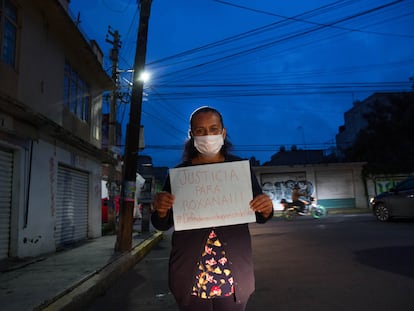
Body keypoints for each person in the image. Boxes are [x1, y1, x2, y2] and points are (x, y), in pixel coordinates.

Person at [151, 106, 274, 311]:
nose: (207, 136)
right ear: (191, 135)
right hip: (191, 271)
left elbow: (260, 214)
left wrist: (266, 207)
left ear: (223, 133)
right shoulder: (181, 175)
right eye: (200, 131)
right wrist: (162, 210)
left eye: (213, 129)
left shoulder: (239, 169)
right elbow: (162, 223)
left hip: (232, 270)